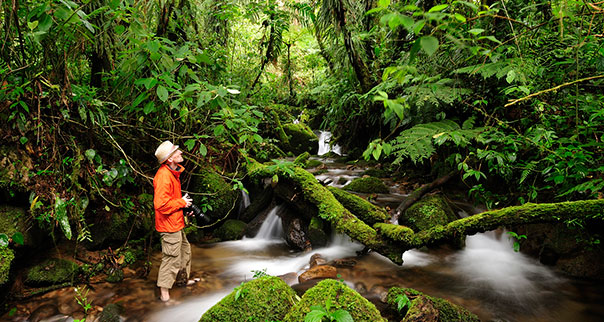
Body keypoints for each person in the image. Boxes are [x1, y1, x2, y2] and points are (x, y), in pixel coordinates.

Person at [153, 140, 197, 302]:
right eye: (176, 152)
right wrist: (182, 203)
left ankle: (182, 281)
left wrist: (185, 208)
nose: (181, 153)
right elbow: (161, 205)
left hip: (176, 222)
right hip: (169, 226)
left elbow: (171, 200)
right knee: (171, 258)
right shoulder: (164, 176)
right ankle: (164, 294)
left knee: (185, 250)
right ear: (170, 159)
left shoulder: (172, 173)